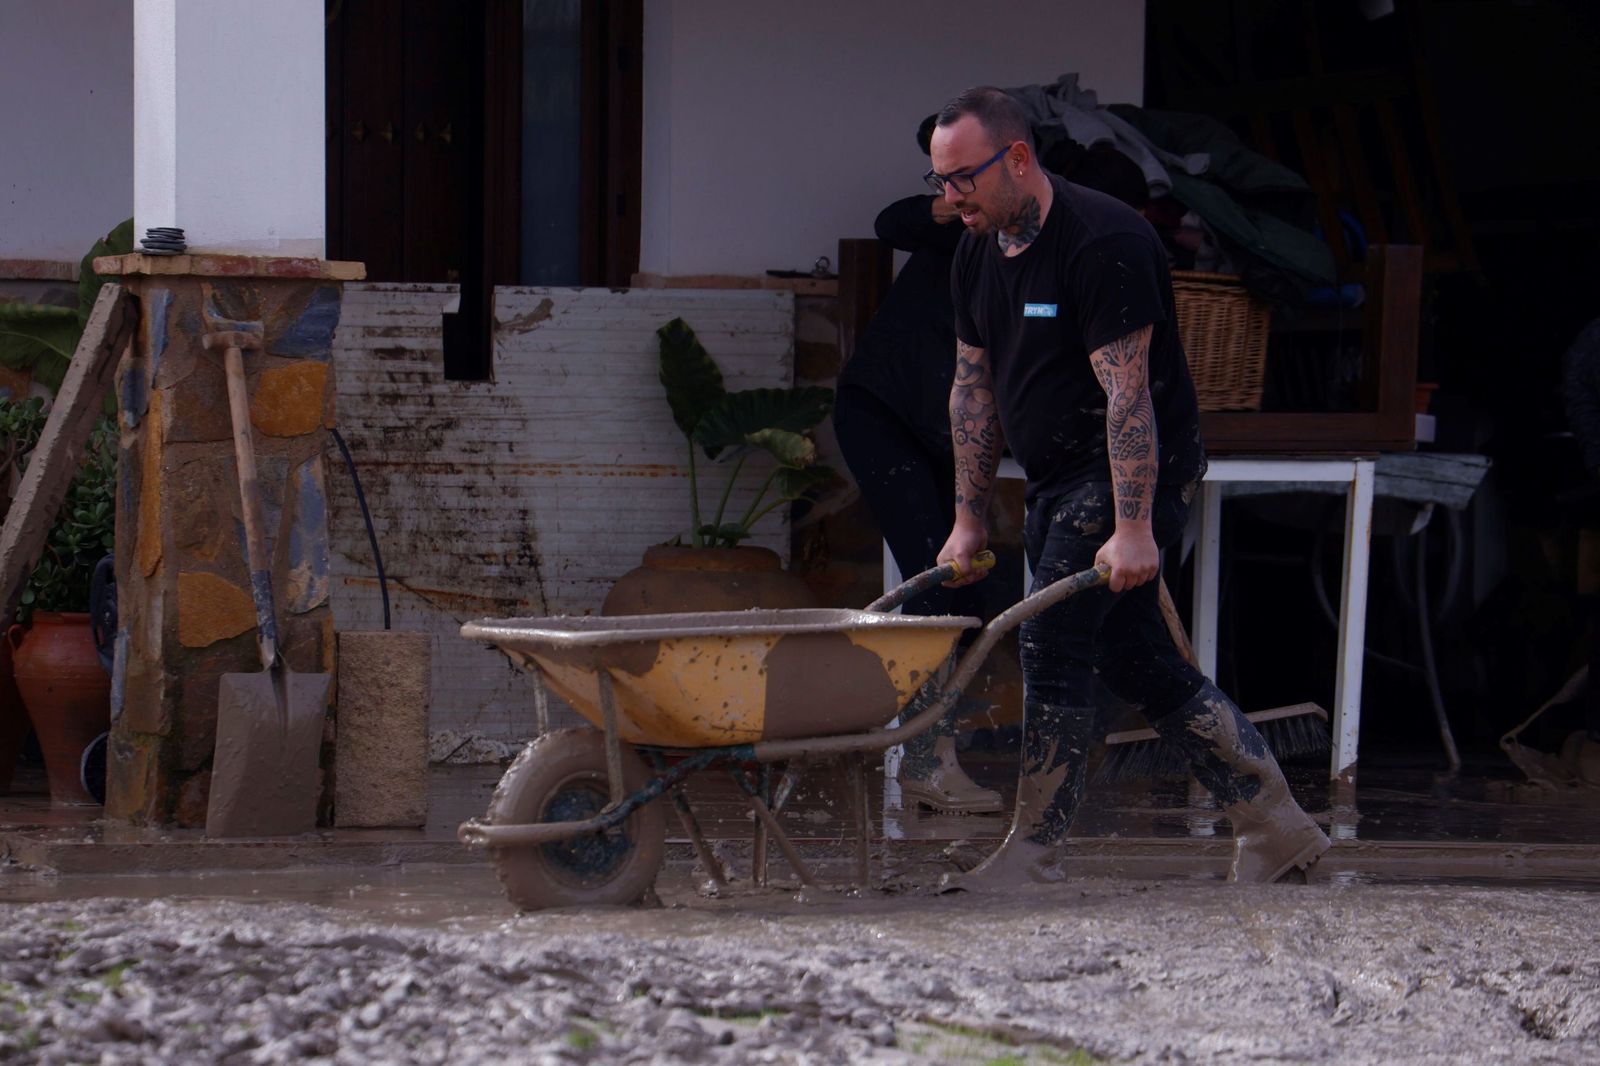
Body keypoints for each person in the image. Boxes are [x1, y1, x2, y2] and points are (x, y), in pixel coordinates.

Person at [927, 86, 1330, 886]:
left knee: (1052, 639)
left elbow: (1129, 395)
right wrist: (968, 520)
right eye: (939, 181)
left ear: (1016, 158)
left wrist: (1136, 526)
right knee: (1134, 653)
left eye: (961, 179)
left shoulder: (1104, 240)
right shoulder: (977, 249)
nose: (949, 198)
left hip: (1126, 474)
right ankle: (1275, 821)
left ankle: (1033, 855)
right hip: (1054, 478)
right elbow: (972, 389)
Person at [833, 118, 1003, 815]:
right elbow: (890, 219)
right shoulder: (957, 227)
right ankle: (927, 763)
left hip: (946, 435)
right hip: (883, 415)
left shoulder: (1039, 250)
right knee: (933, 586)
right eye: (951, 180)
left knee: (964, 589)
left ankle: (933, 752)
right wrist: (964, 201)